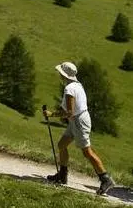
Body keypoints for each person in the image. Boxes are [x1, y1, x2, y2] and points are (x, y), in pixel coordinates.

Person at [44, 62, 115, 195]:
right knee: (61, 145)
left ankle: (105, 179)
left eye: (60, 72)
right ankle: (62, 175)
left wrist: (51, 114)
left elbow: (69, 112)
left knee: (87, 152)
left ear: (63, 74)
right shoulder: (77, 85)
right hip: (77, 120)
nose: (59, 74)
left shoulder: (69, 89)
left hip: (79, 121)